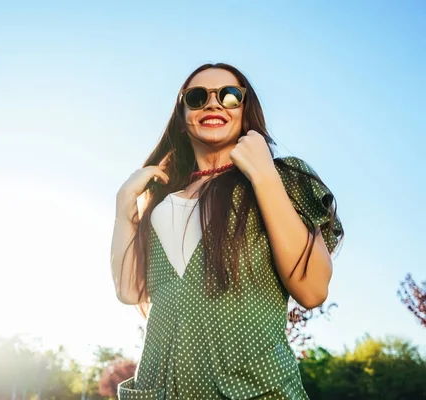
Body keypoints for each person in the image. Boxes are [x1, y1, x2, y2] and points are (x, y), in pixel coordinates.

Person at [110, 63, 344, 399]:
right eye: (197, 97)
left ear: (246, 110)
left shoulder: (282, 178)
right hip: (160, 390)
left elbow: (312, 290)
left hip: (256, 390)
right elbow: (129, 291)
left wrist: (263, 174)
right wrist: (125, 210)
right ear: (182, 114)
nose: (213, 103)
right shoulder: (160, 200)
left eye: (230, 95)